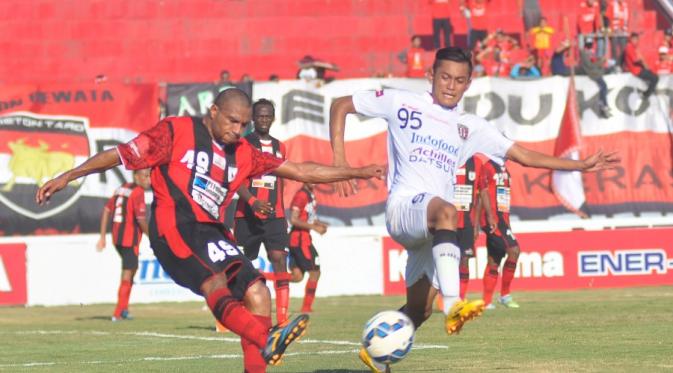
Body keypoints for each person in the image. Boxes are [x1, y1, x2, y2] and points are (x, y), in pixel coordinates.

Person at [36, 88, 385, 373]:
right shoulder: (176, 131)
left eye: (244, 123)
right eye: (233, 120)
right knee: (215, 285)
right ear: (214, 111)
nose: (238, 128)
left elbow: (302, 171)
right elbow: (120, 154)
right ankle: (266, 340)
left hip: (215, 232)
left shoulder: (245, 152)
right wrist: (68, 175)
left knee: (258, 294)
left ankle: (261, 351)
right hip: (175, 225)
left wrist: (355, 172)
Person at [328, 47, 620, 373]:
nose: (450, 86)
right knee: (448, 212)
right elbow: (341, 105)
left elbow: (523, 154)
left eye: (459, 80)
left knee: (420, 310)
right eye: (445, 77)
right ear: (431, 76)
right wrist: (340, 163)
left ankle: (376, 356)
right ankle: (453, 304)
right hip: (405, 208)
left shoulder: (471, 127)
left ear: (468, 84)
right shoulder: (401, 102)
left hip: (432, 228)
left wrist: (578, 164)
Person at [234, 99, 292, 324]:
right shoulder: (243, 144)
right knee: (241, 263)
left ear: (273, 118)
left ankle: (283, 319)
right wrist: (252, 201)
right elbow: (236, 179)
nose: (264, 120)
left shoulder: (281, 147)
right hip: (246, 214)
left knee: (279, 259)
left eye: (268, 116)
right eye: (260, 116)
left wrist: (279, 208)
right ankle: (233, 313)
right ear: (253, 118)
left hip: (275, 216)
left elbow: (282, 179)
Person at [96, 169, 151, 321]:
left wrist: (102, 237)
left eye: (149, 176)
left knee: (131, 271)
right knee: (128, 273)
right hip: (129, 239)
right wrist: (152, 237)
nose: (149, 180)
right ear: (136, 176)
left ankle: (124, 309)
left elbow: (107, 210)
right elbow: (141, 220)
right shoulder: (138, 192)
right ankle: (118, 312)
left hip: (117, 238)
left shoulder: (121, 188)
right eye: (145, 176)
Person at [435, 155, 486, 312]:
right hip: (445, 222)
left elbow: (479, 197)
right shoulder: (444, 157)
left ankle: (460, 301)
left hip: (467, 224)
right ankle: (442, 298)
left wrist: (476, 224)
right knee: (442, 261)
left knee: (464, 260)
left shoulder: (477, 163)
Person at [477, 160, 521, 309]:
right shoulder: (488, 167)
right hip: (493, 219)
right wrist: (484, 218)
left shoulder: (503, 167)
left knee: (494, 259)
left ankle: (487, 301)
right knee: (514, 250)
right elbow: (481, 193)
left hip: (503, 218)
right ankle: (505, 295)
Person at [287, 182, 328, 313]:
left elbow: (309, 218)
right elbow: (294, 220)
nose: (314, 181)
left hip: (302, 239)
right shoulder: (301, 196)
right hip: (299, 240)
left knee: (297, 276)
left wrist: (319, 224)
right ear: (304, 179)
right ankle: (306, 308)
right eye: (311, 178)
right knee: (315, 272)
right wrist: (314, 228)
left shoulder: (310, 195)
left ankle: (263, 275)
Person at [579, 37, 611, 118]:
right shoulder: (584, 53)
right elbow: (590, 65)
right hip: (593, 73)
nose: (590, 45)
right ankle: (603, 104)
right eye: (588, 44)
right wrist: (601, 61)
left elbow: (594, 62)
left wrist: (600, 61)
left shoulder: (590, 51)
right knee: (603, 86)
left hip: (597, 71)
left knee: (612, 70)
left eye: (591, 44)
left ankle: (603, 104)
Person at [622, 32, 659, 99]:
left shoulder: (633, 47)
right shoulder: (629, 47)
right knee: (655, 78)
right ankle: (646, 94)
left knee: (652, 73)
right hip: (636, 71)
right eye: (634, 39)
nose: (636, 41)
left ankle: (650, 91)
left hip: (639, 69)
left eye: (637, 39)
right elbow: (635, 60)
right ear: (631, 39)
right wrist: (643, 63)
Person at [605, 0, 629, 65]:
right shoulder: (612, 4)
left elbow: (626, 19)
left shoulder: (625, 5)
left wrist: (625, 30)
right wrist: (608, 29)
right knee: (614, 50)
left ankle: (623, 65)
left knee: (624, 49)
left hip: (622, 32)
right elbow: (607, 18)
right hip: (614, 31)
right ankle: (614, 65)